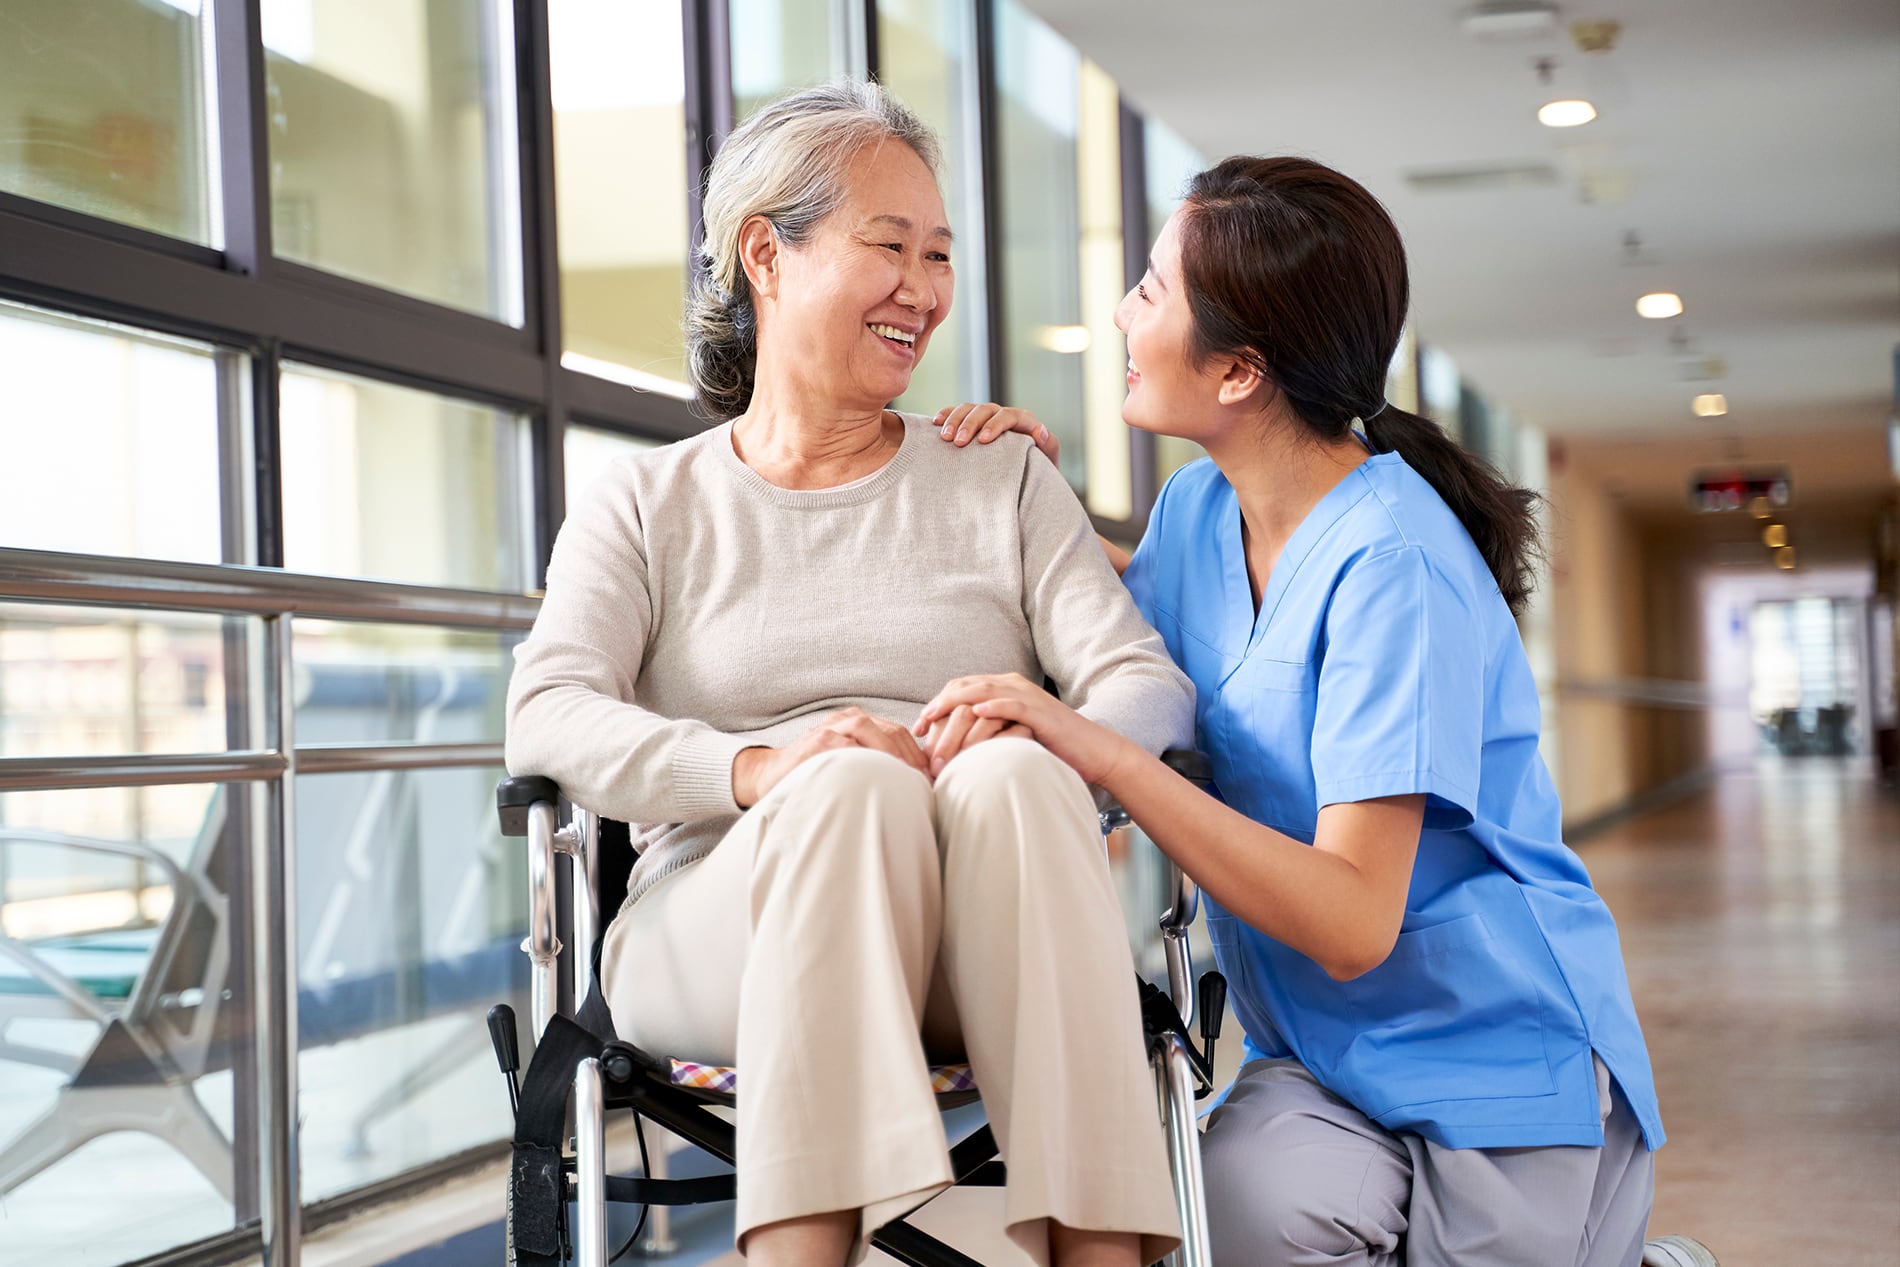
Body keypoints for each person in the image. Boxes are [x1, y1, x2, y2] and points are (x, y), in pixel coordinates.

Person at [921, 156, 1675, 1266]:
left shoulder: (1395, 567)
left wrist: (1102, 755)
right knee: (1241, 1210)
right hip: (1326, 1055)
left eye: (1150, 289)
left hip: (1497, 1057)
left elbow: (1352, 918)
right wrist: (1020, 498)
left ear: (1237, 372)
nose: (1125, 311)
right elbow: (1126, 637)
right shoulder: (1195, 510)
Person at [504, 82, 1192, 1267]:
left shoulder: (1000, 478)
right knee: (848, 788)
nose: (923, 290)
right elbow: (549, 714)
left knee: (1020, 778)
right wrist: (765, 767)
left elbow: (1146, 685)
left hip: (979, 936)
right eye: (889, 247)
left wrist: (1031, 731)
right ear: (765, 254)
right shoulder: (646, 500)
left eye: (939, 256)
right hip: (722, 926)